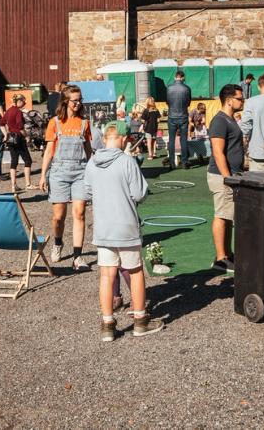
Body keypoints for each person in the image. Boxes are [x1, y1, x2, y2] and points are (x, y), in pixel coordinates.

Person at [84, 122, 164, 341]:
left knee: (106, 275)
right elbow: (139, 194)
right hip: (125, 225)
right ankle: (140, 320)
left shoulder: (92, 162)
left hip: (103, 227)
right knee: (135, 271)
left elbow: (87, 191)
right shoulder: (127, 161)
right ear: (122, 138)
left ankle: (107, 324)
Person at [39, 85, 93, 271]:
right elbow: (49, 151)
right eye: (74, 100)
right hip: (59, 171)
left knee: (79, 213)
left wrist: (92, 171)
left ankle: (77, 257)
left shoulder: (84, 123)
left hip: (80, 171)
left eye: (80, 100)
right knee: (58, 217)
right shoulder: (55, 122)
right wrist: (43, 175)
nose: (78, 103)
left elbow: (88, 151)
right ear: (65, 101)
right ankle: (58, 242)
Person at [208, 84, 246, 273]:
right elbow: (218, 152)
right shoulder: (219, 121)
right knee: (222, 215)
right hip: (221, 175)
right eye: (240, 98)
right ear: (229, 100)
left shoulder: (230, 119)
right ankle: (220, 258)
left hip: (231, 174)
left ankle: (228, 254)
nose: (243, 101)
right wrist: (227, 177)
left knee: (228, 215)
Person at [239, 74, 264, 172]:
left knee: (257, 181)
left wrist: (244, 142)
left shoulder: (251, 102)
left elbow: (246, 125)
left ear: (259, 86)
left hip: (257, 152)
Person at [2, 94, 34, 191]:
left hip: (10, 139)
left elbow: (1, 123)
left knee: (14, 161)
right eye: (24, 101)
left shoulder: (8, 111)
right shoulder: (18, 112)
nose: (25, 103)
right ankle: (28, 184)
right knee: (28, 160)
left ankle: (13, 185)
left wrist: (5, 134)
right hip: (19, 138)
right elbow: (20, 127)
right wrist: (27, 136)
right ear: (19, 101)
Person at [166, 71, 192, 170]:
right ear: (182, 77)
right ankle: (185, 162)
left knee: (171, 140)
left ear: (175, 77)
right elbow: (188, 103)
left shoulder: (169, 88)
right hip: (183, 116)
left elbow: (167, 101)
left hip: (172, 116)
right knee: (183, 139)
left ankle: (171, 163)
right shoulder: (187, 88)